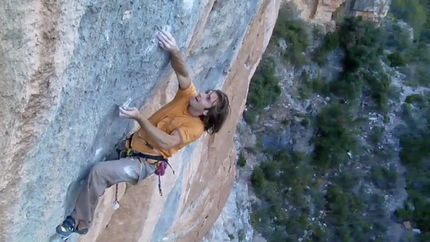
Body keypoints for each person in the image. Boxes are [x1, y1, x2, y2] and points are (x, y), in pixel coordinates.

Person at [56, 30, 231, 237]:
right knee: (97, 178)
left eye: (207, 98)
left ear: (206, 111)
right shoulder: (188, 98)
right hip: (131, 146)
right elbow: (183, 74)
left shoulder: (195, 128)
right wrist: (175, 50)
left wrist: (140, 118)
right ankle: (83, 223)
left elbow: (166, 142)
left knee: (99, 171)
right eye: (207, 93)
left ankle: (78, 222)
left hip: (143, 163)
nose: (202, 94)